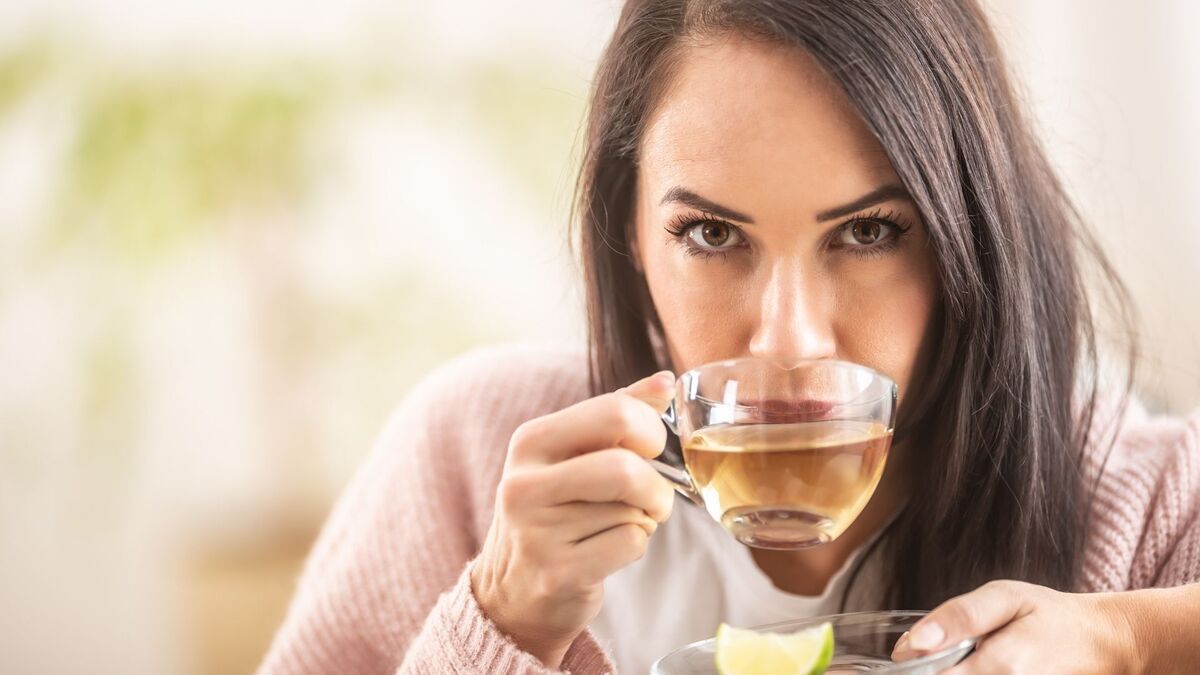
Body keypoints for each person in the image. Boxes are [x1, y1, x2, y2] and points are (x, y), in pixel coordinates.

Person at [259, 1, 1200, 673]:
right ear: (628, 234)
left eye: (868, 232)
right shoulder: (466, 461)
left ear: (970, 238)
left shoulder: (1142, 501)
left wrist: (1131, 641)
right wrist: (501, 622)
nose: (787, 336)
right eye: (712, 234)